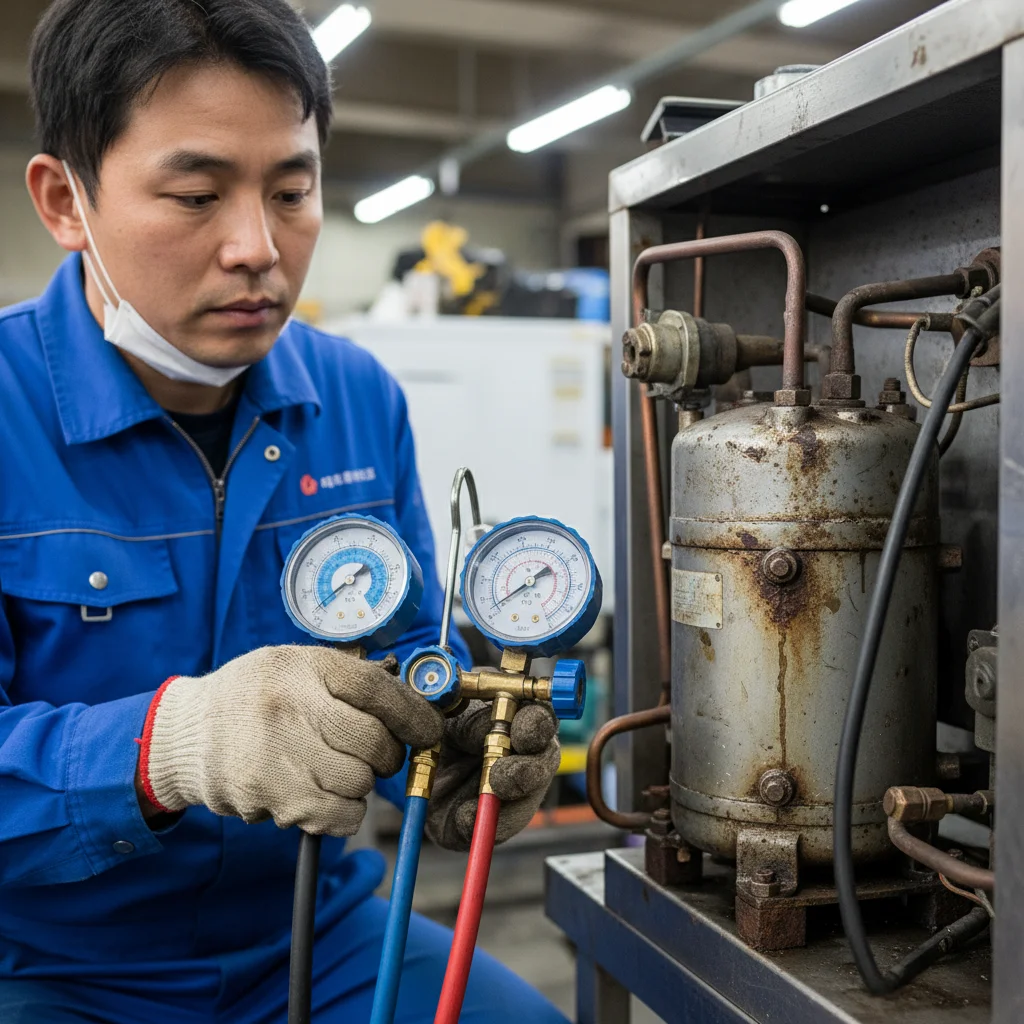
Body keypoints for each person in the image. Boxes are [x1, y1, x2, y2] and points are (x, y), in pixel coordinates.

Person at [0, 2, 567, 1021]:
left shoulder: (354, 397)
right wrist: (169, 746)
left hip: (318, 932)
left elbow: (408, 652)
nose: (257, 248)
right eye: (196, 193)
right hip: (50, 964)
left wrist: (454, 753)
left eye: (293, 191)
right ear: (63, 200)